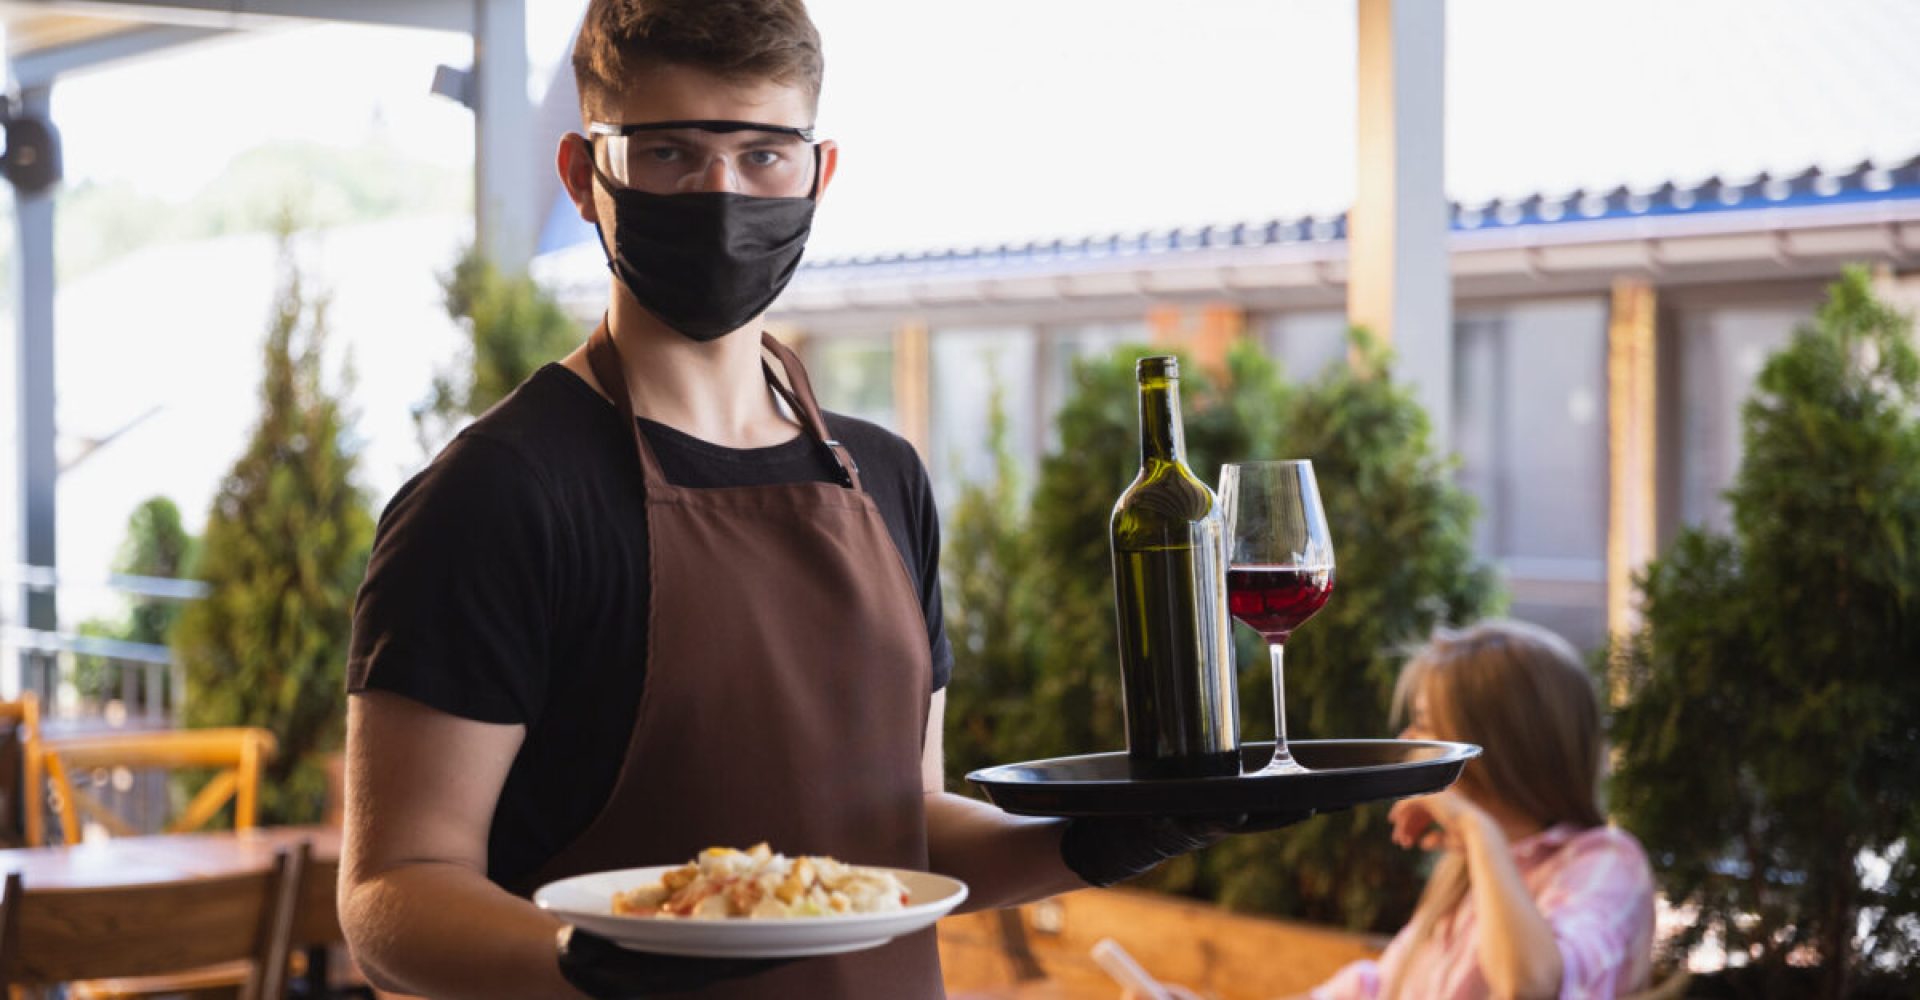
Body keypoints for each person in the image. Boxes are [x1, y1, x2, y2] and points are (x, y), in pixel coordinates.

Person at [336, 3, 1287, 998]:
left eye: (762, 155)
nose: (721, 192)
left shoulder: (884, 480)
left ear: (818, 174)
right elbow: (394, 893)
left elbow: (900, 830)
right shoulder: (495, 498)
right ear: (585, 175)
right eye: (667, 154)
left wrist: (1105, 836)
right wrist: (588, 962)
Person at [1305, 620, 1656, 1000]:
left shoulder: (1607, 863)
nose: (1407, 741)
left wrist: (1477, 829)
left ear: (1499, 747)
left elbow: (1529, 986)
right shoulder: (1464, 873)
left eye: (1424, 723)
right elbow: (1380, 986)